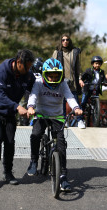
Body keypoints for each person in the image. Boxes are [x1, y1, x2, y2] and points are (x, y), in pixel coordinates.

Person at [26, 58, 83, 192]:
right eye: (50, 75)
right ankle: (34, 161)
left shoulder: (62, 84)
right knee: (35, 134)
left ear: (60, 75)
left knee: (61, 145)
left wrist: (76, 108)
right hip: (41, 114)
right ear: (45, 74)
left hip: (57, 116)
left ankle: (63, 176)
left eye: (55, 75)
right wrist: (30, 107)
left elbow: (69, 97)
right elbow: (33, 96)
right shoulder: (39, 82)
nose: (52, 78)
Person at [0, 49, 36, 188]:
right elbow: (0, 95)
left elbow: (34, 89)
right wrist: (18, 107)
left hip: (9, 111)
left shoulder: (28, 75)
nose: (29, 70)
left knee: (10, 141)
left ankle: (8, 172)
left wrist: (31, 105)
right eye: (27, 66)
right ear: (19, 62)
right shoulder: (2, 70)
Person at [52, 34, 83, 128]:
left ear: (70, 41)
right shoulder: (57, 52)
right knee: (61, 102)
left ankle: (80, 120)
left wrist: (80, 78)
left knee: (75, 101)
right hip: (60, 81)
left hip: (72, 82)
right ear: (61, 41)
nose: (65, 41)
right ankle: (64, 121)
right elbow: (52, 65)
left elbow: (78, 67)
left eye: (67, 40)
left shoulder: (74, 52)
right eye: (63, 40)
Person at [79, 56, 107, 128]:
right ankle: (80, 119)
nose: (98, 65)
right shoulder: (88, 70)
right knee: (83, 103)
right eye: (96, 63)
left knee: (96, 101)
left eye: (99, 64)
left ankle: (95, 112)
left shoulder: (102, 72)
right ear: (93, 64)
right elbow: (82, 77)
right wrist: (81, 80)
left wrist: (105, 82)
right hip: (88, 89)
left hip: (96, 90)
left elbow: (104, 80)